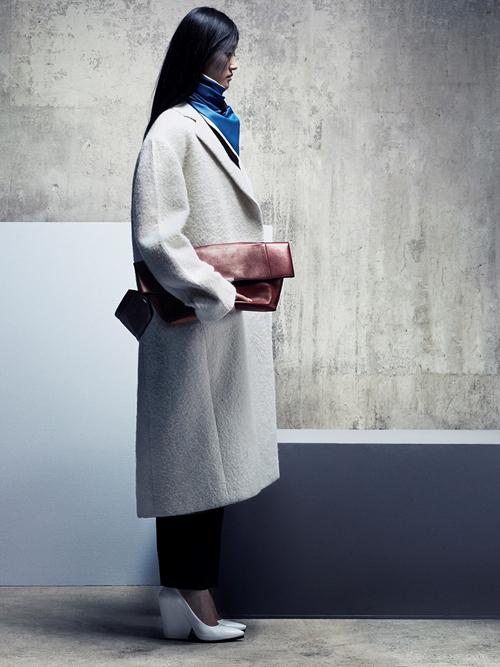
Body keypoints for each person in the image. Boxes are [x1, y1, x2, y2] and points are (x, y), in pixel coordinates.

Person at [130, 6, 280, 642]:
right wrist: (219, 291)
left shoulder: (209, 124)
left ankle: (185, 596)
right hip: (191, 324)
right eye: (226, 52)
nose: (234, 64)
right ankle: (193, 597)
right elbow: (156, 236)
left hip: (208, 327)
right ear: (200, 54)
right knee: (191, 464)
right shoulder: (173, 130)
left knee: (202, 463)